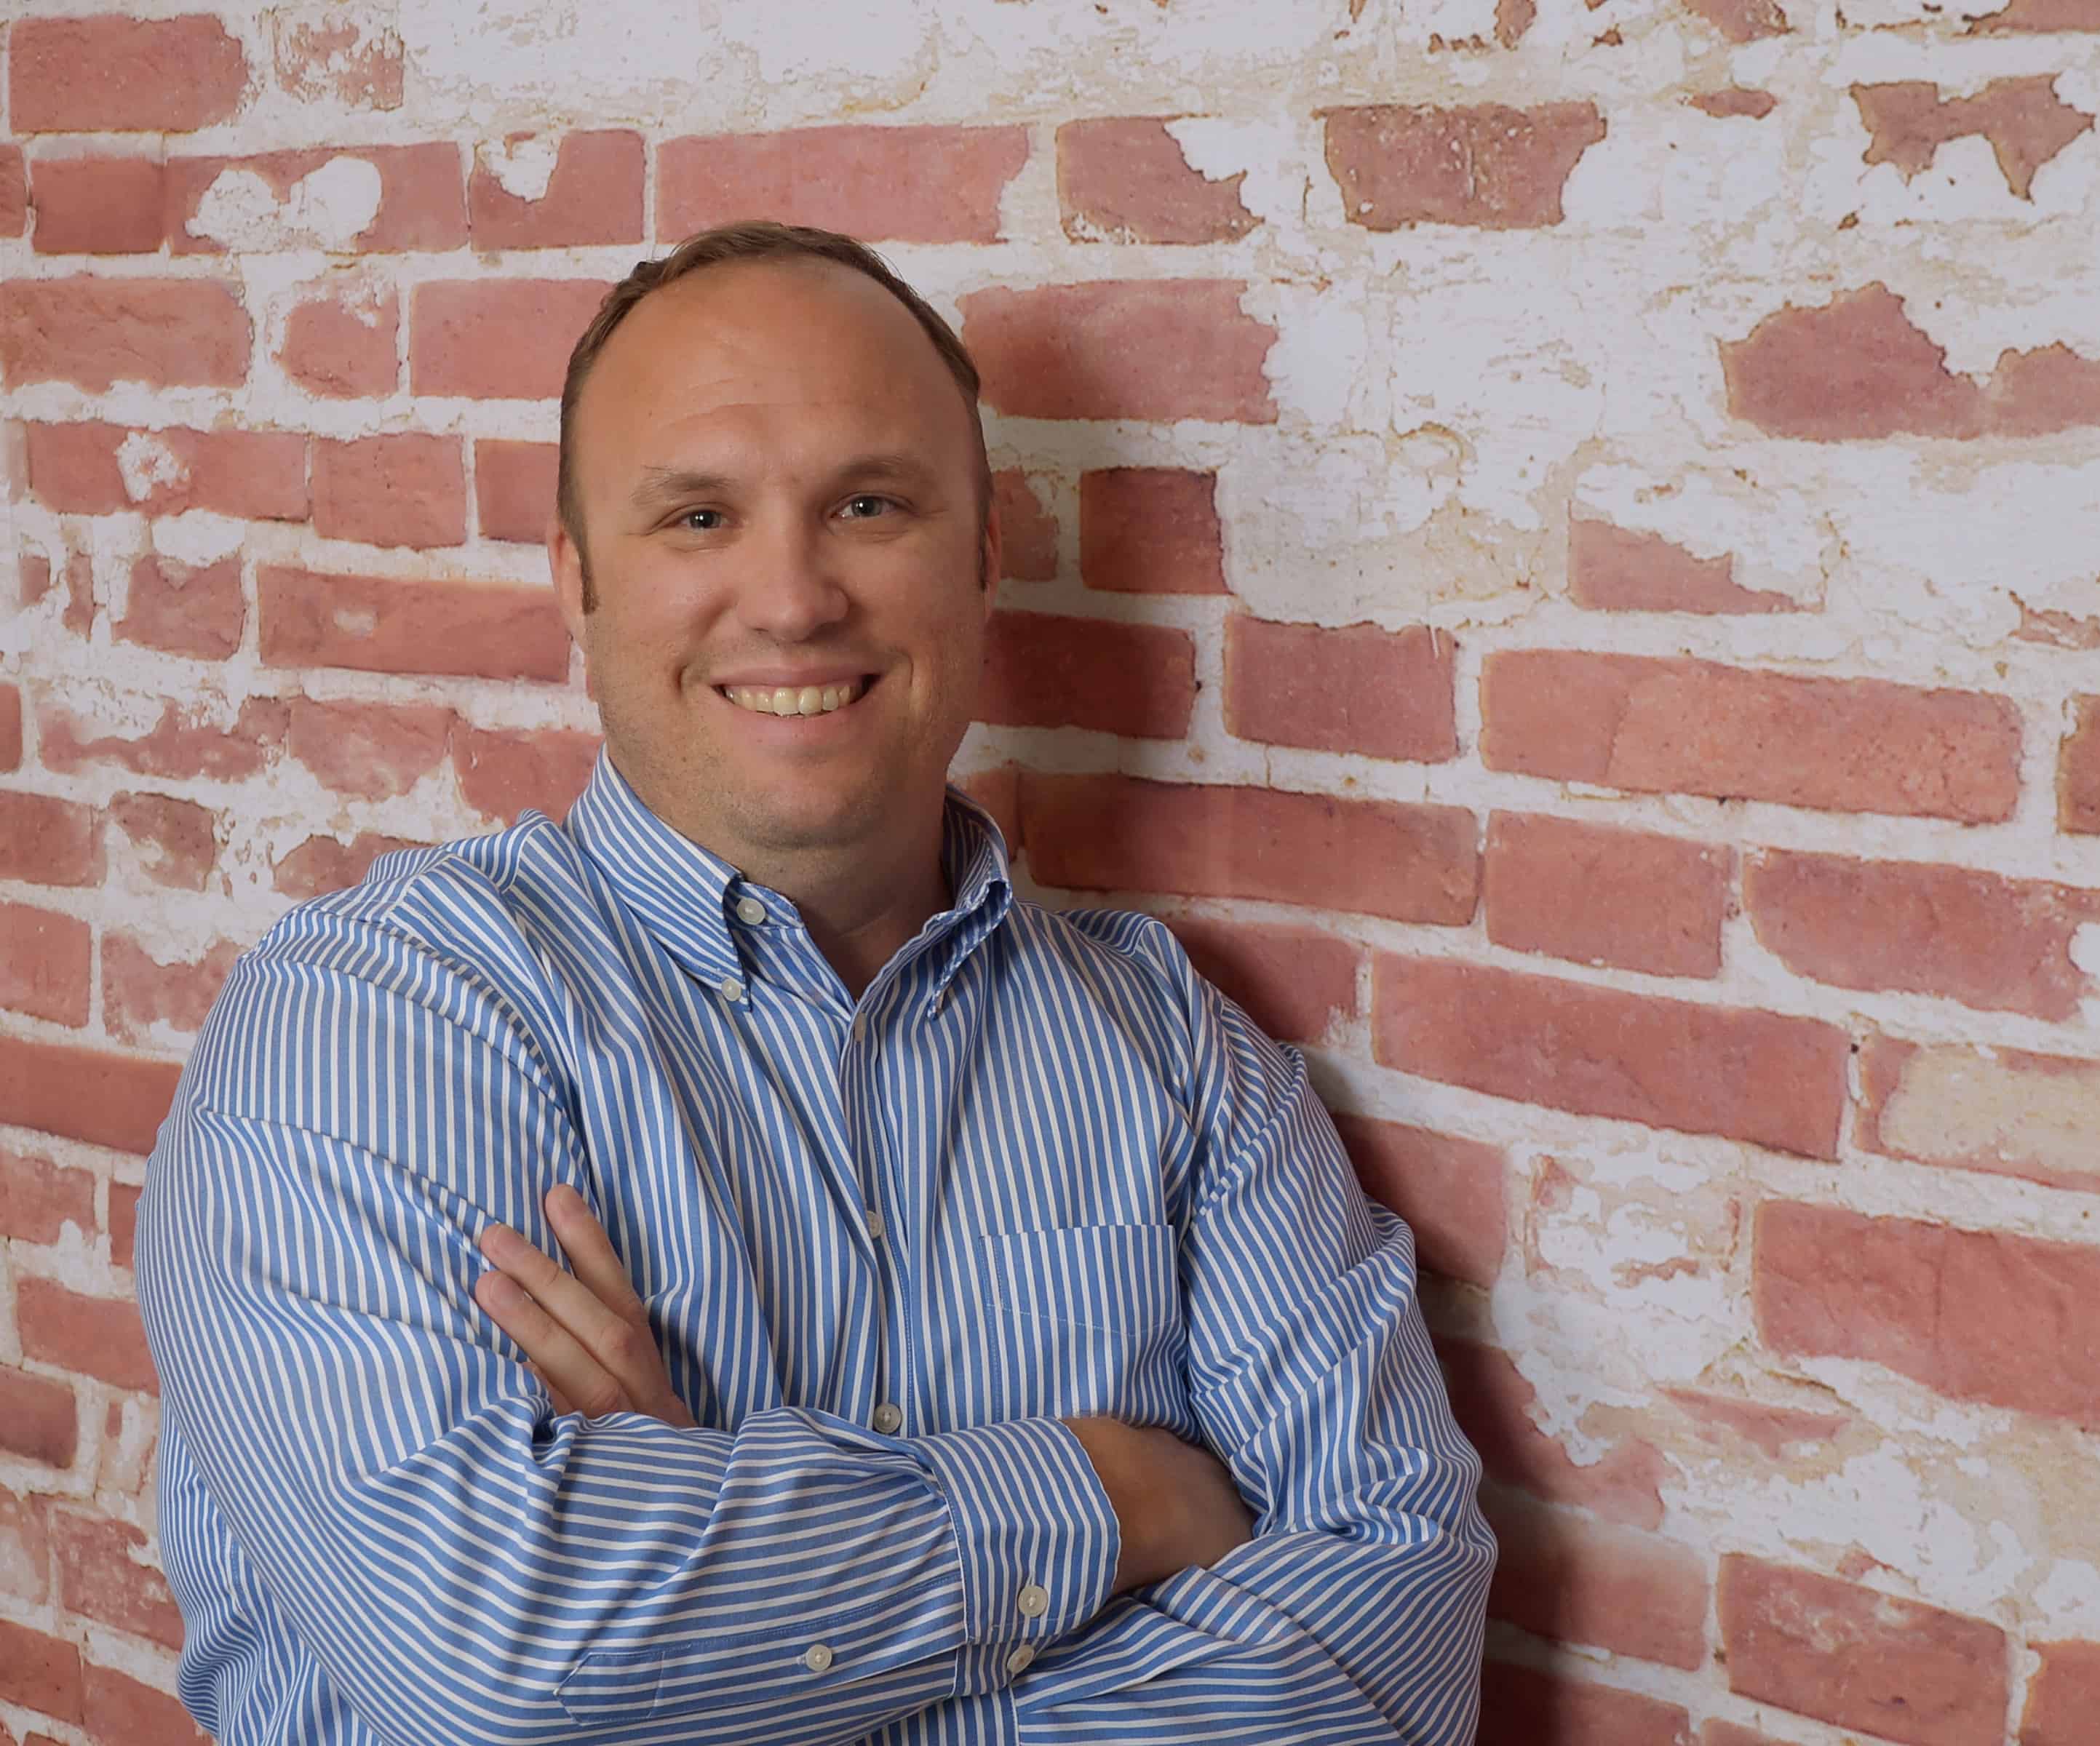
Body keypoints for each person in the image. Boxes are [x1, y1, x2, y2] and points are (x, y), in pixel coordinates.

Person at [135, 220, 1497, 1746]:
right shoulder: (384, 1024)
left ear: (982, 560)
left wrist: (722, 1598)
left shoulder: (1175, 1057)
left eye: (867, 502)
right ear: (577, 585)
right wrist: (1114, 1493)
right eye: (699, 516)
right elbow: (501, 1669)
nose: (791, 598)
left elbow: (1391, 1660)